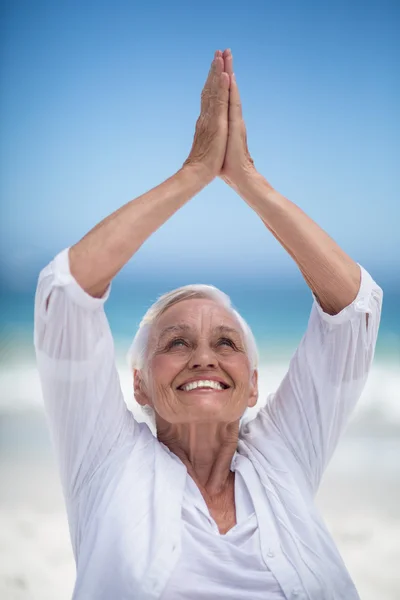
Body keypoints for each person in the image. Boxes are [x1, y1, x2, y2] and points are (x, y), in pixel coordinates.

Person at [34, 49, 383, 600]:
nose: (204, 357)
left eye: (226, 342)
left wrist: (246, 179)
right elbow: (67, 293)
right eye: (176, 342)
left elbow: (355, 310)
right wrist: (195, 173)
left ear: (252, 387)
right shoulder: (106, 460)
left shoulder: (282, 457)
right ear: (140, 383)